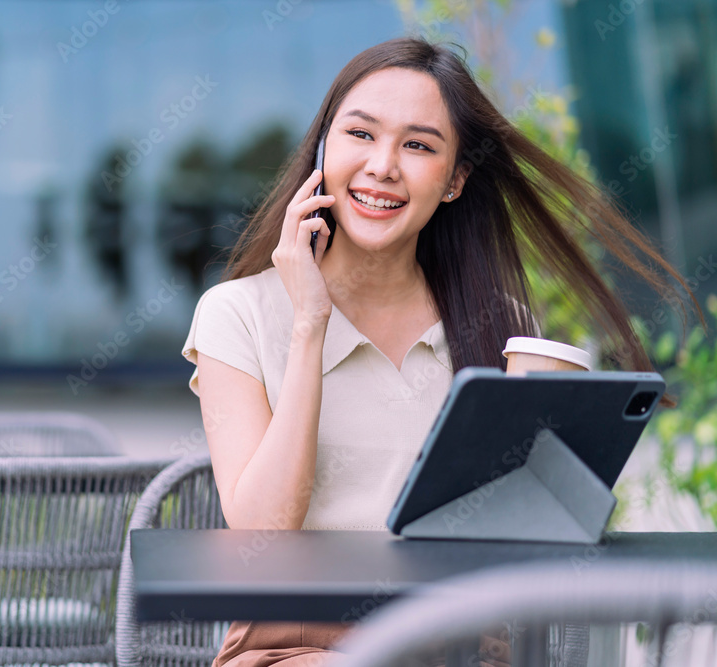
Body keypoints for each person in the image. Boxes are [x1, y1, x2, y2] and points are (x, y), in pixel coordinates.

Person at [180, 36, 705, 667]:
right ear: (323, 150)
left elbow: (519, 539)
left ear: (455, 180)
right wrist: (309, 323)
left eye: (419, 145)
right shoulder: (236, 314)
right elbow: (264, 534)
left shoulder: (501, 327)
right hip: (298, 649)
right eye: (360, 134)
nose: (382, 166)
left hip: (458, 645)